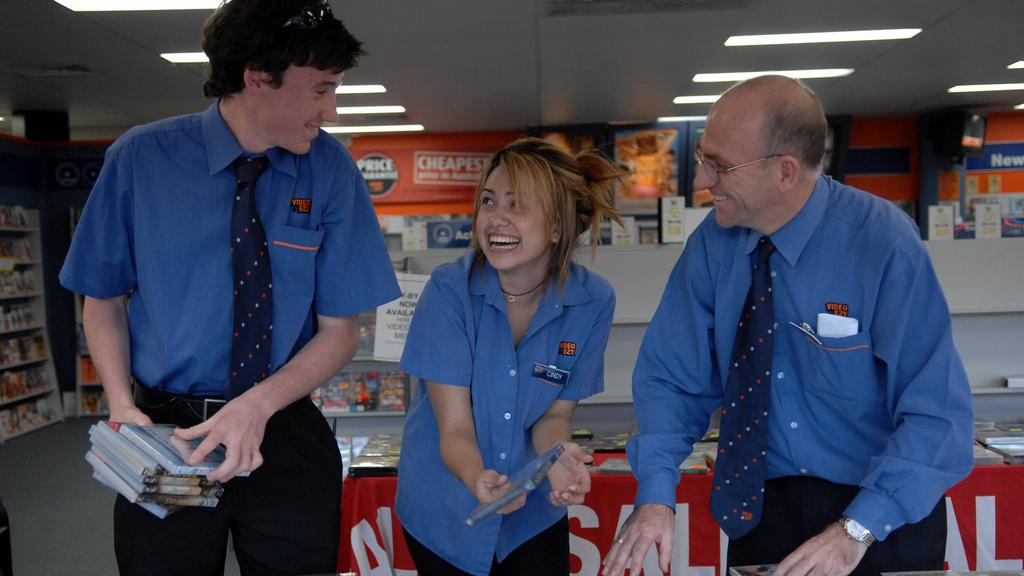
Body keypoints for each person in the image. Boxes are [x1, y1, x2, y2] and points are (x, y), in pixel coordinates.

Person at [59, 1, 400, 574]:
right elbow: (104, 299)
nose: (332, 111)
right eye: (320, 90)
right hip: (170, 437)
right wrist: (119, 404)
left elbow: (342, 332)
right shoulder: (141, 159)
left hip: (284, 432)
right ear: (257, 77)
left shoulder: (331, 171)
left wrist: (256, 406)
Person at [603, 75, 973, 576]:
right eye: (703, 160)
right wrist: (655, 496)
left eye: (720, 166)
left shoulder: (882, 244)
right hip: (761, 506)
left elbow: (938, 415)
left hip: (878, 516)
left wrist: (857, 529)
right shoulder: (713, 247)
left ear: (784, 171)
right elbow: (671, 380)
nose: (702, 181)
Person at [396, 137, 623, 576]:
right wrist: (475, 478)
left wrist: (559, 458)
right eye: (488, 200)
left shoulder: (593, 301)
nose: (496, 218)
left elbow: (554, 417)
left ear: (557, 227)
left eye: (517, 205)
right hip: (448, 507)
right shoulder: (449, 291)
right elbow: (456, 428)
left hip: (531, 514)